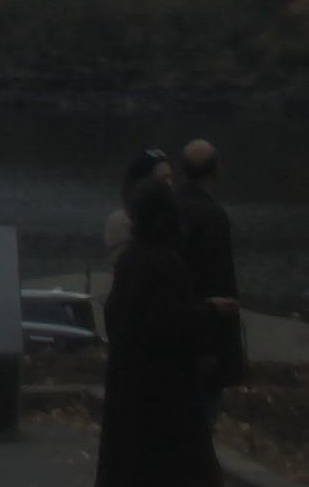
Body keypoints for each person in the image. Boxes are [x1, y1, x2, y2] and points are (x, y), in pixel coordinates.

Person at [95, 178, 226, 486]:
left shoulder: (127, 263)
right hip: (167, 393)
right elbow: (173, 322)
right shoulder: (169, 264)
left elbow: (117, 319)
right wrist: (209, 311)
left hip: (127, 390)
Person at [174, 138, 245, 429]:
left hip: (175, 335)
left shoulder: (170, 208)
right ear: (216, 171)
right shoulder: (212, 216)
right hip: (206, 340)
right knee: (203, 423)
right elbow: (220, 281)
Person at [104, 146, 171, 253]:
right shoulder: (121, 221)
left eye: (169, 178)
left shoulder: (176, 215)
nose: (169, 184)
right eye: (162, 179)